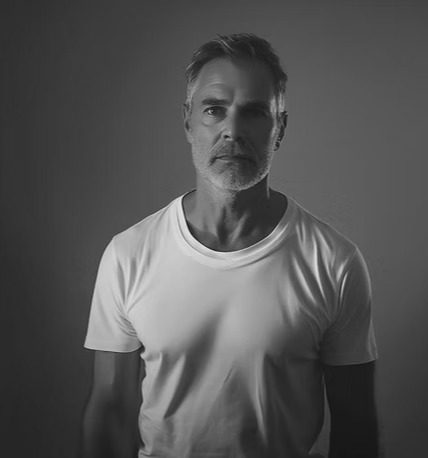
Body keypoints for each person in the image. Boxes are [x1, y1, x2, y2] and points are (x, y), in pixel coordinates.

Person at [80, 33, 379, 458]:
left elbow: (356, 423)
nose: (232, 131)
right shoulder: (128, 254)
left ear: (280, 128)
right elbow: (109, 411)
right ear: (187, 121)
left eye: (254, 112)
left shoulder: (334, 263)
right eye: (214, 110)